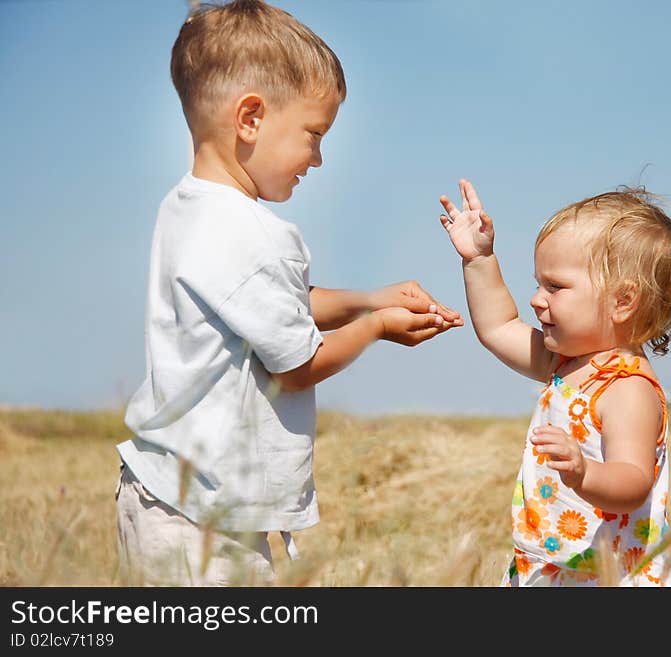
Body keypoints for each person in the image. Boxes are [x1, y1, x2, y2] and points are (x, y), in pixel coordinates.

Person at [115, 0, 463, 586]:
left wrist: (369, 299)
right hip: (206, 518)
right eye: (313, 134)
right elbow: (297, 364)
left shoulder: (188, 208)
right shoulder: (253, 235)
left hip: (159, 495)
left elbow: (275, 308)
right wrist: (376, 329)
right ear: (250, 117)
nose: (319, 159)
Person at [438, 179, 671, 586]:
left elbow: (633, 479)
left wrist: (585, 473)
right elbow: (498, 326)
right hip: (551, 563)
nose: (536, 299)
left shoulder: (627, 389)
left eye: (555, 286)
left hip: (608, 574)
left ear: (622, 301)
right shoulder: (562, 365)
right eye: (539, 282)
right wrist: (478, 260)